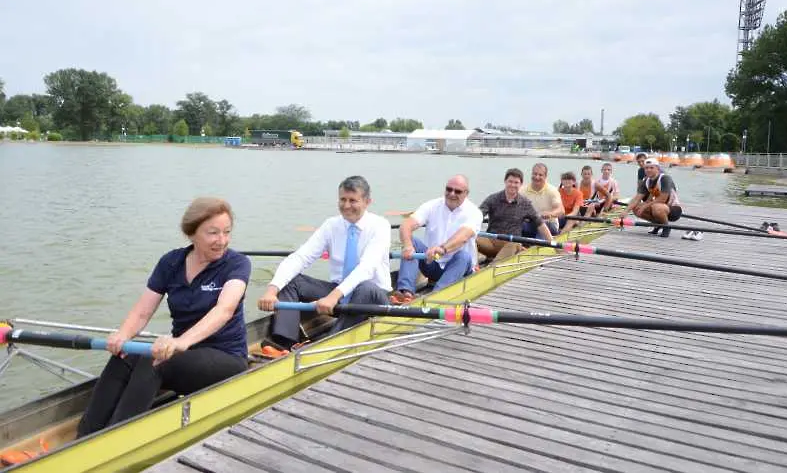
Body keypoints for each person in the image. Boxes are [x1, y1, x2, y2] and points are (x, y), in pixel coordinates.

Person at [76, 198, 251, 437]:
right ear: (191, 234)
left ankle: (117, 437)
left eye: (226, 232)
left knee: (154, 361)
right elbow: (142, 311)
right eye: (213, 233)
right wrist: (122, 335)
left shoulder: (237, 264)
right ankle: (86, 434)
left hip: (225, 357)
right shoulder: (171, 262)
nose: (222, 241)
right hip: (184, 354)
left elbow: (224, 310)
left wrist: (180, 342)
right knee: (126, 355)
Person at [257, 176, 391, 353]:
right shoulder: (331, 225)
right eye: (342, 199)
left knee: (364, 287)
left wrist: (333, 296)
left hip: (373, 298)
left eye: (353, 200)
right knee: (292, 282)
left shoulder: (380, 226)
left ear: (367, 202)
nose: (346, 205)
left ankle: (324, 347)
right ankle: (285, 342)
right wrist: (272, 290)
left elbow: (366, 268)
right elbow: (300, 257)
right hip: (340, 297)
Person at [393, 175, 484, 303]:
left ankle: (435, 297)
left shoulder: (474, 212)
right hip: (433, 262)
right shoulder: (432, 205)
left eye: (457, 191)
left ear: (466, 193)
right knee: (412, 241)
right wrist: (407, 245)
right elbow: (406, 225)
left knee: (463, 256)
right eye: (449, 189)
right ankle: (405, 293)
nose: (452, 194)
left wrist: (442, 249)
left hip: (459, 267)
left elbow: (463, 237)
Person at [477, 168, 552, 262]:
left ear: (520, 184)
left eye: (516, 182)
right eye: (510, 181)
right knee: (471, 238)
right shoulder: (493, 199)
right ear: (505, 182)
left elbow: (540, 224)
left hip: (511, 244)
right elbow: (477, 216)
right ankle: (473, 267)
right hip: (491, 242)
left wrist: (553, 243)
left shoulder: (525, 203)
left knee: (513, 243)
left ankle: (493, 266)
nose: (513, 185)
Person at [624, 158, 682, 238]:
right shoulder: (646, 181)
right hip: (659, 207)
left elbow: (662, 199)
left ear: (657, 168)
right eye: (646, 168)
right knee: (636, 208)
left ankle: (666, 227)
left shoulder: (665, 178)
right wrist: (626, 211)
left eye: (651, 168)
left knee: (656, 207)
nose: (648, 170)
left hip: (674, 209)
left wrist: (645, 206)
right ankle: (658, 224)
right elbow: (637, 198)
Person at [521, 163, 564, 237]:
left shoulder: (552, 190)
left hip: (549, 224)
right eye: (535, 174)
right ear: (532, 174)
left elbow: (561, 210)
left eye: (540, 175)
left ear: (545, 176)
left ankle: (538, 245)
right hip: (530, 224)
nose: (537, 177)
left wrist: (551, 214)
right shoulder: (522, 190)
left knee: (541, 225)